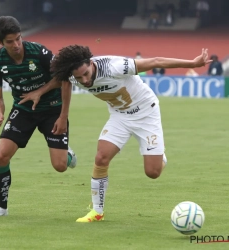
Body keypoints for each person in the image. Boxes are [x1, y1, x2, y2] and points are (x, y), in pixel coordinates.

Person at [19, 45, 212, 222]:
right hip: (120, 116)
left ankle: (159, 155)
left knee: (153, 172)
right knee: (101, 157)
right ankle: (97, 211)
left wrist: (193, 63)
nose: (84, 81)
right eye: (79, 78)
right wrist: (60, 113)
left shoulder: (116, 66)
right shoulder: (71, 75)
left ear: (91, 63)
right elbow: (64, 83)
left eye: (86, 74)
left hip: (146, 112)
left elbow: (155, 62)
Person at [0, 16, 77, 217]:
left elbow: (63, 78)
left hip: (52, 108)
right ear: (0, 42)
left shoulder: (39, 52)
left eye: (18, 38)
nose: (16, 44)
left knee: (60, 166)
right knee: (1, 156)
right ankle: (1, 207)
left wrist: (39, 92)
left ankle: (68, 153)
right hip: (23, 110)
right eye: (10, 41)